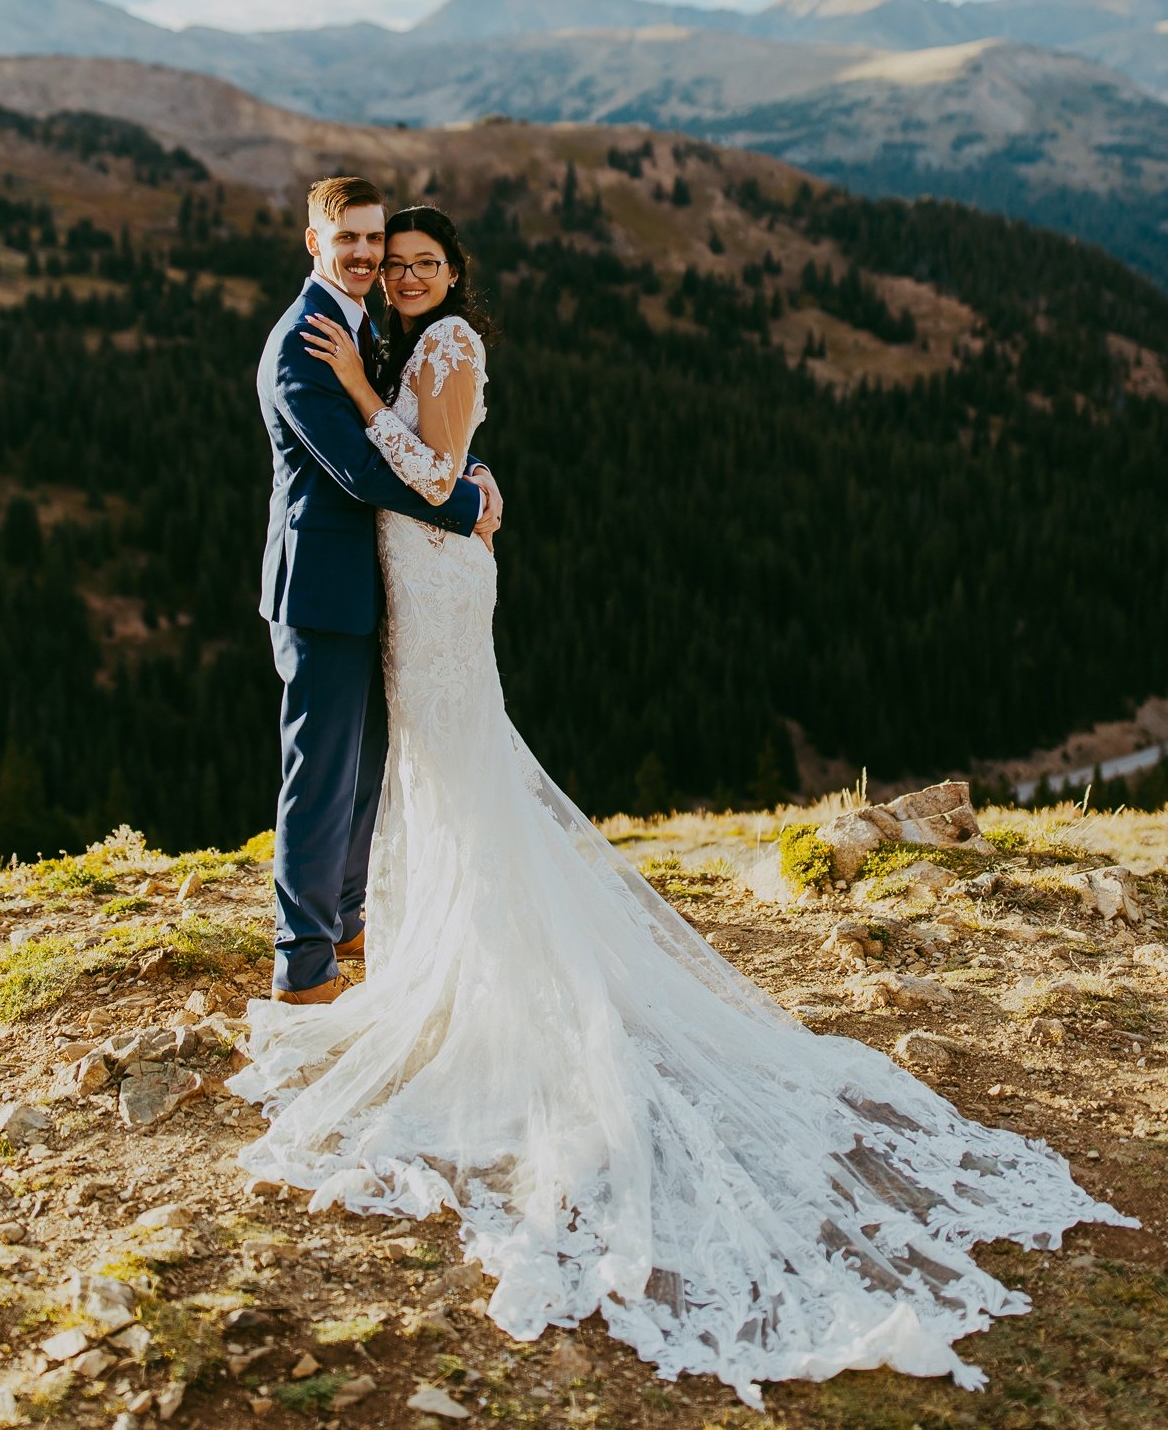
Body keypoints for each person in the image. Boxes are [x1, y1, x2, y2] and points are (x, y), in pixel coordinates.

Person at [233, 200, 1138, 1411]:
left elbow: (428, 462)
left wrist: (452, 472)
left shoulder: (429, 342)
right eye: (377, 256)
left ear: (452, 273)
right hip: (386, 579)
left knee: (446, 766)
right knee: (379, 772)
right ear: (323, 247)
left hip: (430, 584)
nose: (390, 272)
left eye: (412, 260)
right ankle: (340, 945)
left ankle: (369, 958)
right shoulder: (337, 340)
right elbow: (393, 467)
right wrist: (440, 461)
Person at [255, 176, 501, 1005]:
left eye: (375, 241)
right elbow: (360, 469)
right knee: (319, 774)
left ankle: (347, 918)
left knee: (359, 773)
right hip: (320, 587)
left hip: (372, 586)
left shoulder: (362, 323)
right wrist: (465, 503)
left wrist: (467, 465)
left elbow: (416, 428)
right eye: (350, 240)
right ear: (313, 242)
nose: (366, 256)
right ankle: (303, 962)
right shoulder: (305, 341)